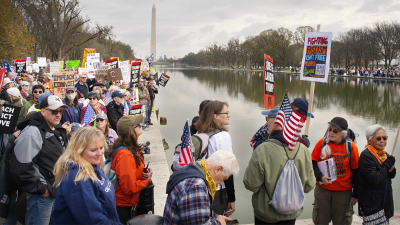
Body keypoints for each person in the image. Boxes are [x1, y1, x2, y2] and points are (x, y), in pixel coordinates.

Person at [243, 98, 316, 225]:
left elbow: (251, 184)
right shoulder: (304, 150)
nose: (266, 123)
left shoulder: (262, 150)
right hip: (291, 213)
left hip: (266, 214)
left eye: (268, 119)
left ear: (278, 122)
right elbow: (309, 185)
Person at [10, 95, 69, 225]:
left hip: (55, 192)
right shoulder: (32, 132)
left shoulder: (56, 129)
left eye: (60, 111)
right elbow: (21, 166)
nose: (58, 114)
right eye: (54, 111)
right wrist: (42, 190)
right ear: (43, 111)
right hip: (42, 196)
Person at [53, 127, 122, 225]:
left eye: (101, 148)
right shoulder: (78, 179)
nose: (99, 153)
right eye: (93, 150)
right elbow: (93, 219)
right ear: (79, 150)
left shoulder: (92, 166)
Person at [163, 150, 239, 225]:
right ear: (218, 169)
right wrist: (219, 223)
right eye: (223, 179)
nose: (221, 183)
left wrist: (216, 217)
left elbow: (196, 213)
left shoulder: (195, 168)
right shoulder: (196, 186)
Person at [311, 117, 359, 225]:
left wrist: (355, 195)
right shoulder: (321, 143)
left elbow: (357, 172)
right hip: (323, 190)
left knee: (341, 222)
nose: (331, 133)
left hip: (343, 192)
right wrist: (320, 177)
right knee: (320, 221)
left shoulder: (351, 147)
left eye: (335, 131)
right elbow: (313, 163)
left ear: (343, 133)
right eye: (329, 129)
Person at [194, 100, 236, 216]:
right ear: (216, 116)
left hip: (200, 186)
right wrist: (231, 198)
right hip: (216, 190)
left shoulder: (199, 133)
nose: (229, 115)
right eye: (226, 113)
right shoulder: (223, 136)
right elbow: (227, 168)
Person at [110, 115, 153, 224]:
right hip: (124, 207)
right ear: (131, 131)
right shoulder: (125, 155)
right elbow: (129, 188)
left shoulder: (130, 148)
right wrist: (147, 180)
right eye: (138, 125)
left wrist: (144, 173)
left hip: (129, 203)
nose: (141, 125)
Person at [358, 125, 396, 221]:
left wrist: (392, 169)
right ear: (369, 139)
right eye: (378, 138)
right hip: (372, 206)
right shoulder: (366, 156)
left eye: (384, 138)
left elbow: (390, 176)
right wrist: (388, 164)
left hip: (384, 203)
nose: (382, 141)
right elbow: (375, 179)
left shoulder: (384, 154)